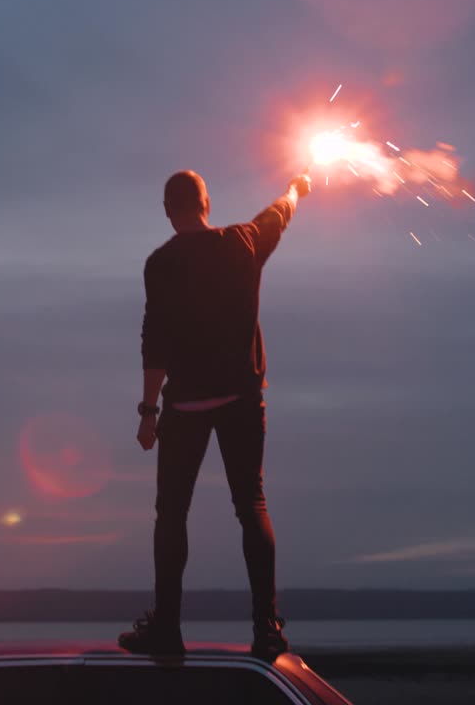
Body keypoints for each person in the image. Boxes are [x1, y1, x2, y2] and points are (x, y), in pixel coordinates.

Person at [119, 169, 311, 659]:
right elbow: (280, 214)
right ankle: (266, 629)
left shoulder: (159, 264)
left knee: (171, 514)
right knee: (251, 506)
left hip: (184, 406)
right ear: (207, 203)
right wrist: (296, 188)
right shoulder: (243, 242)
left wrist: (147, 413)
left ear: (168, 211)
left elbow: (153, 341)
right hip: (242, 402)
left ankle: (167, 630)